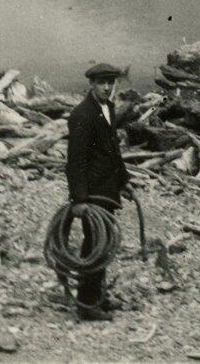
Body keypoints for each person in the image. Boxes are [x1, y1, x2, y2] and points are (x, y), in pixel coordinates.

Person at [64, 62, 130, 319]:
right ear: (91, 84)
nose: (106, 87)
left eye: (110, 82)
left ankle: (98, 295)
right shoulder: (82, 114)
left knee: (104, 243)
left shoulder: (108, 108)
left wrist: (124, 181)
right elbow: (76, 160)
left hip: (108, 188)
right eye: (101, 83)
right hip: (92, 193)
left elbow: (113, 150)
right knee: (94, 245)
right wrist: (79, 199)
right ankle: (87, 304)